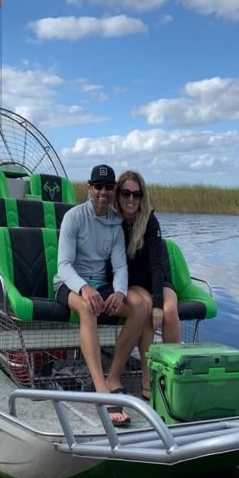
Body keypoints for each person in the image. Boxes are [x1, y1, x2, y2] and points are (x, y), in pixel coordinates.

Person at [53, 164, 147, 426]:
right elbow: (64, 265)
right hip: (68, 284)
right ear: (89, 188)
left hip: (101, 284)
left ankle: (113, 376)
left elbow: (119, 267)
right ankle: (102, 391)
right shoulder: (74, 217)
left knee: (139, 309)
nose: (103, 192)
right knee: (87, 308)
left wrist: (118, 292)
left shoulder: (115, 224)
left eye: (108, 187)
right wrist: (83, 288)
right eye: (98, 186)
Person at [113, 170, 180, 401]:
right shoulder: (111, 221)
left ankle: (174, 374)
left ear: (143, 197)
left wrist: (160, 303)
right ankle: (147, 374)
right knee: (147, 307)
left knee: (169, 312)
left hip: (156, 279)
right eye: (126, 193)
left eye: (137, 194)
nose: (131, 199)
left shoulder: (149, 221)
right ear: (118, 194)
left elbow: (157, 266)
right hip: (131, 283)